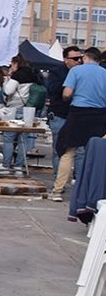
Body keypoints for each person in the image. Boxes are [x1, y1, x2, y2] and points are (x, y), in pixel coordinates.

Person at [57, 48, 106, 192]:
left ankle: (58, 190)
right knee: (95, 153)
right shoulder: (105, 73)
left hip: (78, 113)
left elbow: (67, 93)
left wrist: (69, 97)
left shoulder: (76, 71)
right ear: (98, 59)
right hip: (99, 116)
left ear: (85, 57)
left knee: (68, 152)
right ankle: (92, 189)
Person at [0, 55, 44, 171]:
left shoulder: (17, 75)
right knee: (23, 139)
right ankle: (19, 166)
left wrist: (7, 79)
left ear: (16, 63)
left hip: (14, 108)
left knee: (9, 138)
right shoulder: (34, 74)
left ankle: (5, 164)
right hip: (29, 109)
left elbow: (8, 90)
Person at [51, 47, 84, 200]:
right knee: (60, 150)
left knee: (80, 152)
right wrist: (70, 81)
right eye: (75, 59)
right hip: (60, 115)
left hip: (78, 116)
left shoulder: (83, 72)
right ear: (66, 59)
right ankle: (58, 183)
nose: (79, 61)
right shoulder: (58, 71)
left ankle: (78, 182)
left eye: (81, 58)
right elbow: (53, 90)